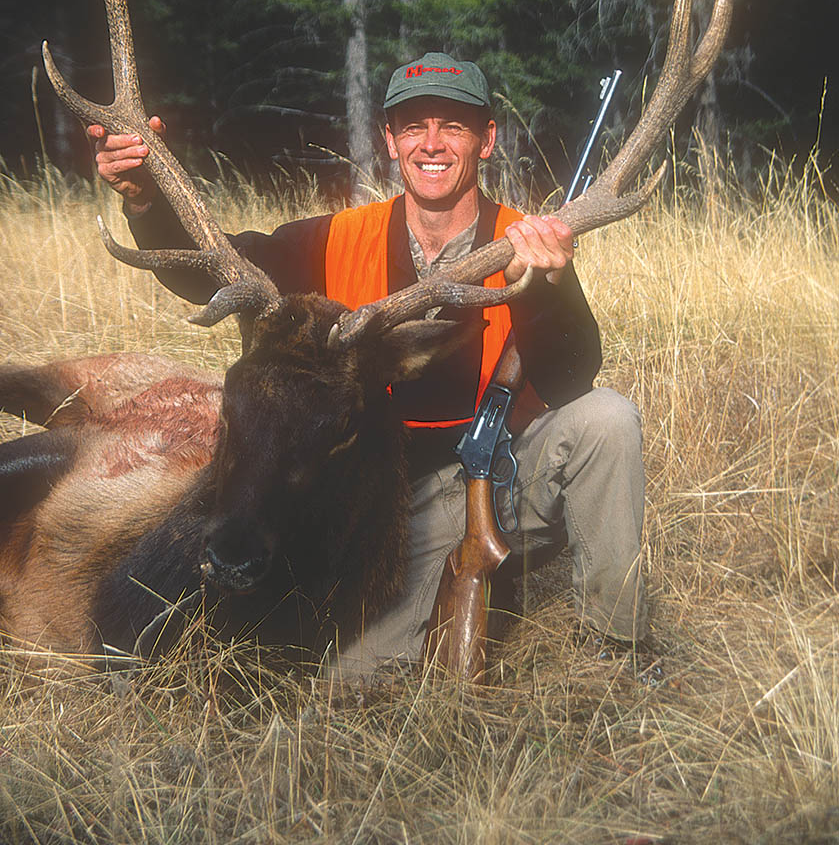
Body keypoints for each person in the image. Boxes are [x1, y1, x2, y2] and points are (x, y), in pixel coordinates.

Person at [88, 51, 648, 673]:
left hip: (505, 473)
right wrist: (145, 199)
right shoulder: (335, 239)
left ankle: (615, 649)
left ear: (487, 140)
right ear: (390, 139)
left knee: (608, 419)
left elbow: (574, 374)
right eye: (413, 126)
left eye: (453, 126)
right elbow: (213, 269)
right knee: (344, 680)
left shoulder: (525, 239)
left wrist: (547, 283)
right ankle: (466, 591)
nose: (431, 144)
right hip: (388, 506)